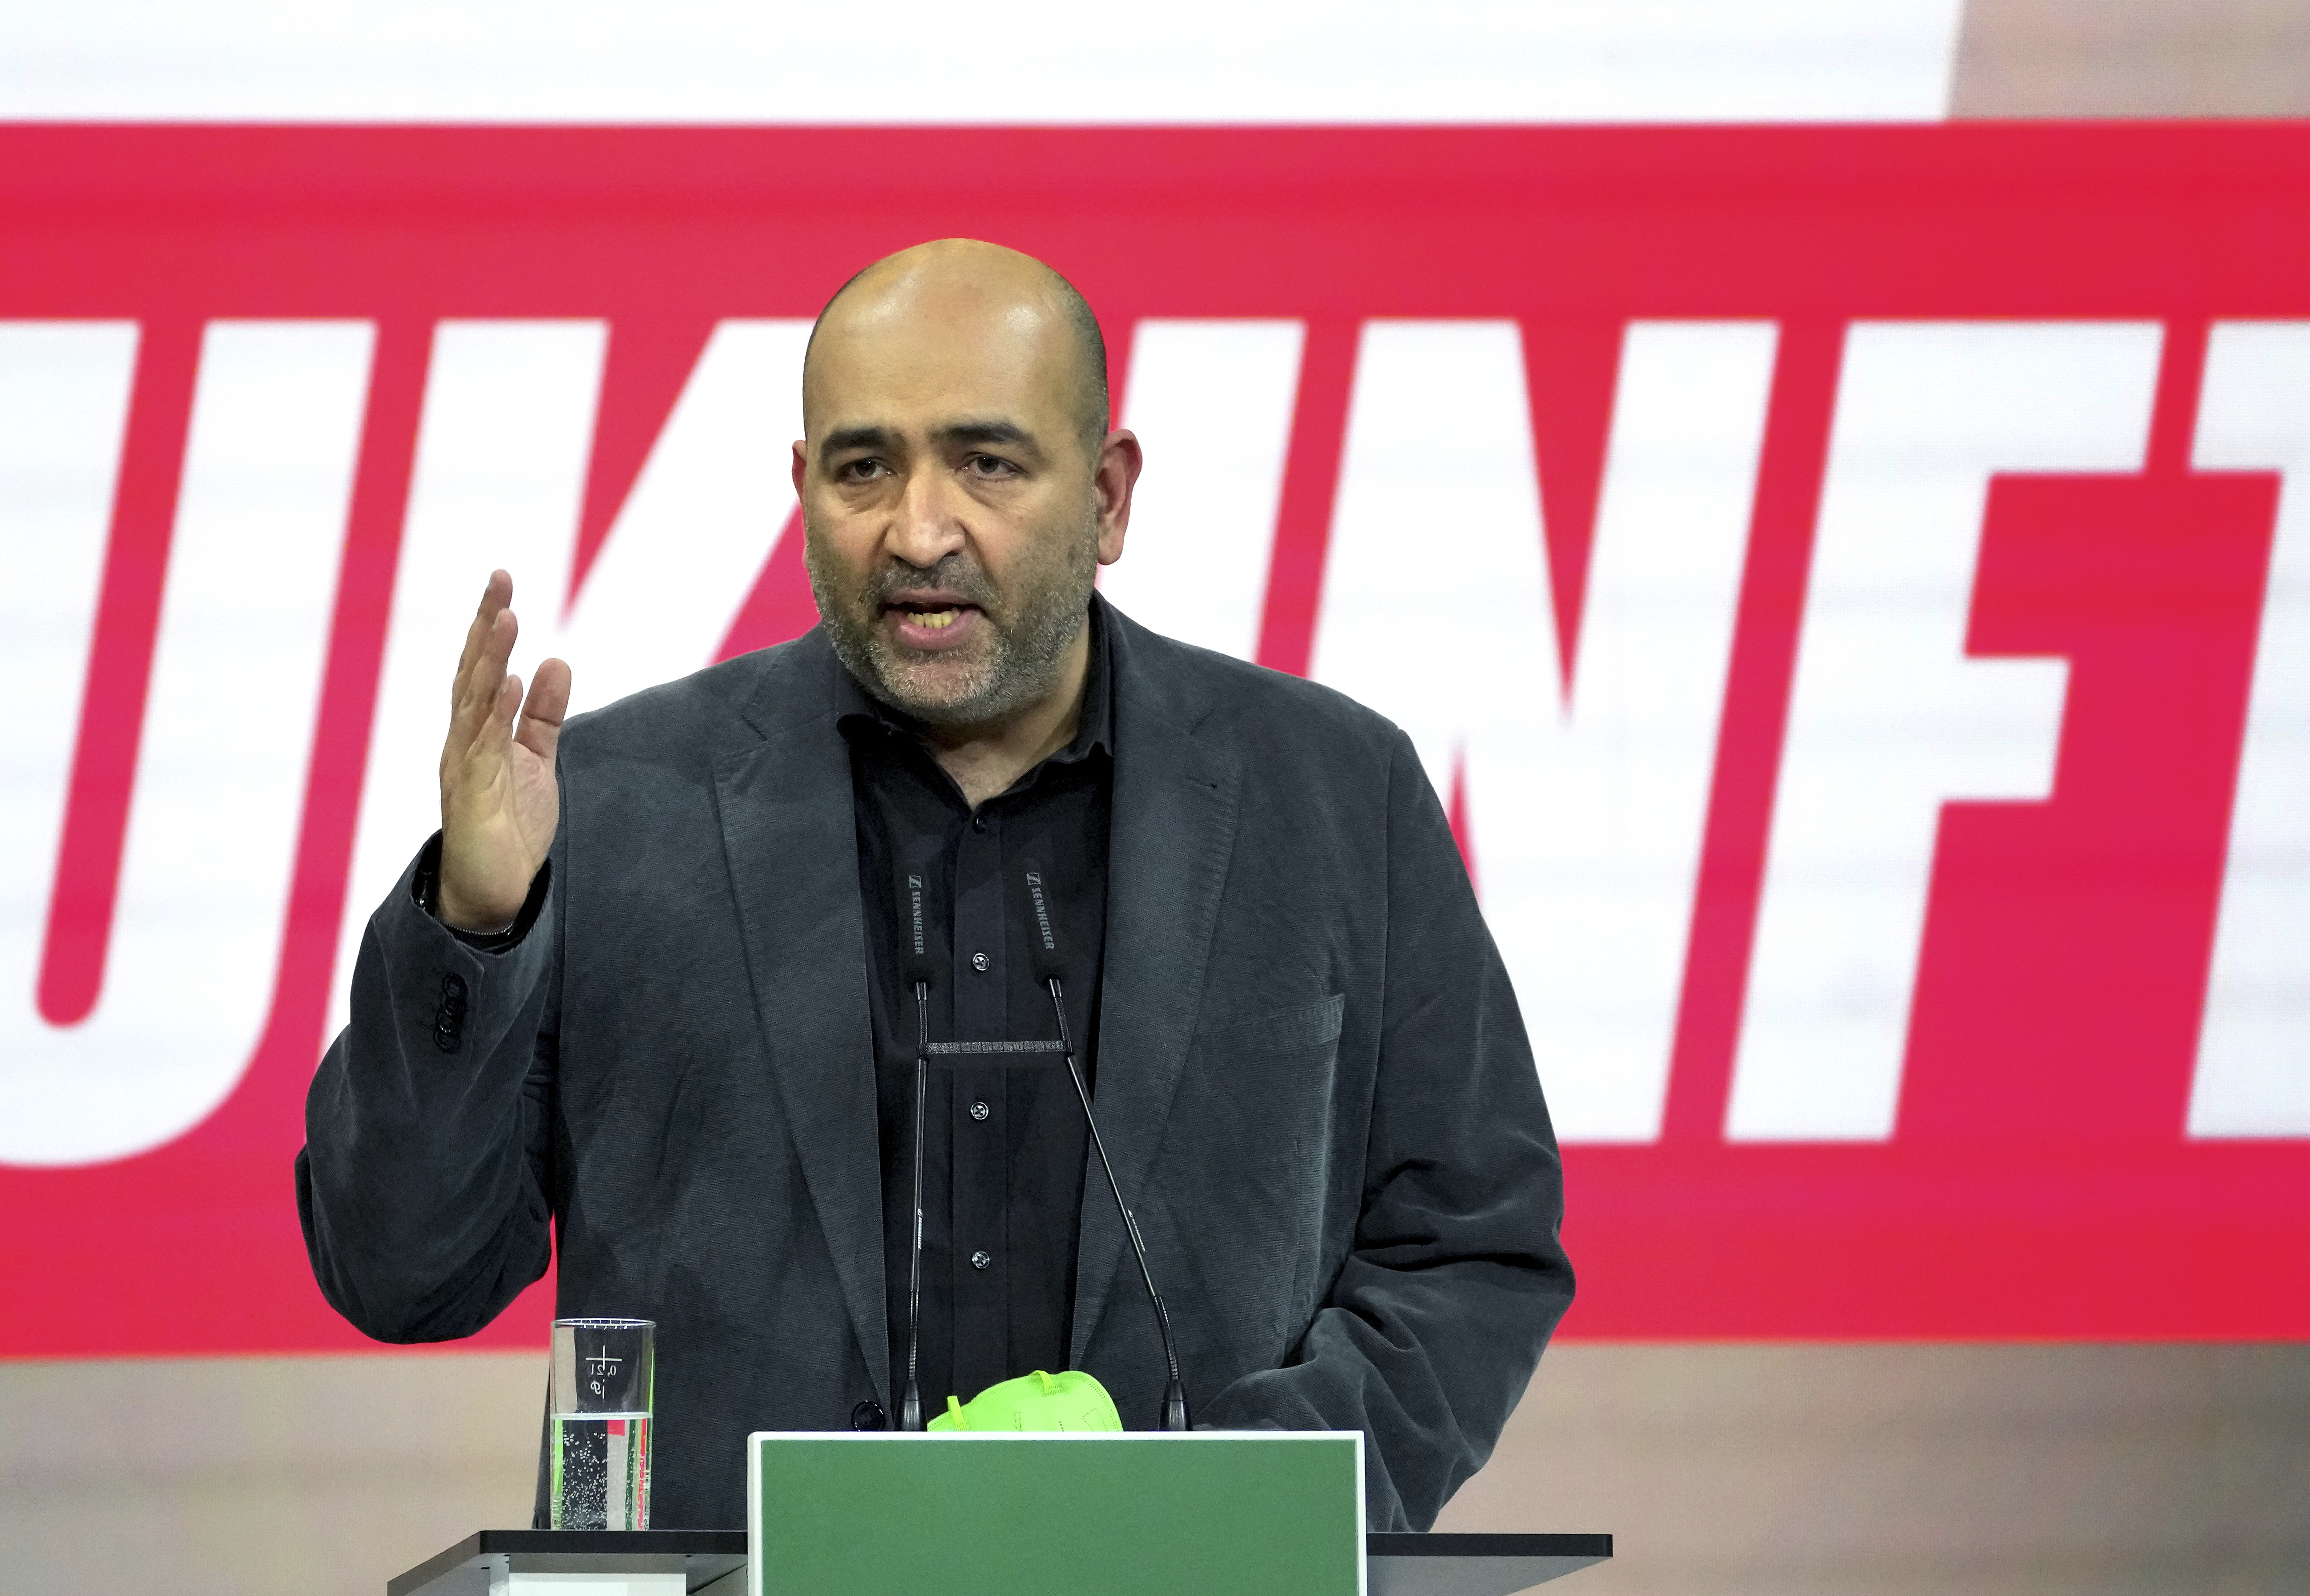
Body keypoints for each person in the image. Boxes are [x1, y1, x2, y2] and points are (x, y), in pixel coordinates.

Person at [296, 238, 1571, 1531]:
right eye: (864, 466)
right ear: (803, 490)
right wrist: (477, 923)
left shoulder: (1337, 797)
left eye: (987, 462)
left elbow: (1474, 1242)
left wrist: (1243, 1498)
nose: (918, 528)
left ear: (1110, 496)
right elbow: (401, 1270)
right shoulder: (618, 803)